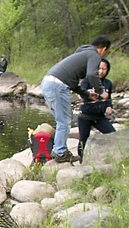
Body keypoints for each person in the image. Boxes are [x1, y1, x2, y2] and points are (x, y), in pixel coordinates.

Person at [40, 35, 111, 163]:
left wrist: (87, 94)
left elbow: (71, 83)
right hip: (57, 85)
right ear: (104, 49)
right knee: (64, 121)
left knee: (62, 120)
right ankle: (60, 153)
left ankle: (58, 150)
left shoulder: (83, 54)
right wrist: (101, 91)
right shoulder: (94, 54)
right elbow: (91, 74)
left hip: (49, 83)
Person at [77, 58, 115, 162]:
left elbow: (108, 100)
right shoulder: (87, 80)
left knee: (113, 135)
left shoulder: (108, 84)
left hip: (99, 117)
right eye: (99, 68)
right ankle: (81, 160)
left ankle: (110, 156)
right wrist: (89, 95)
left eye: (104, 69)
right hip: (85, 116)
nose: (101, 71)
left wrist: (109, 108)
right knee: (83, 141)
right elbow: (82, 92)